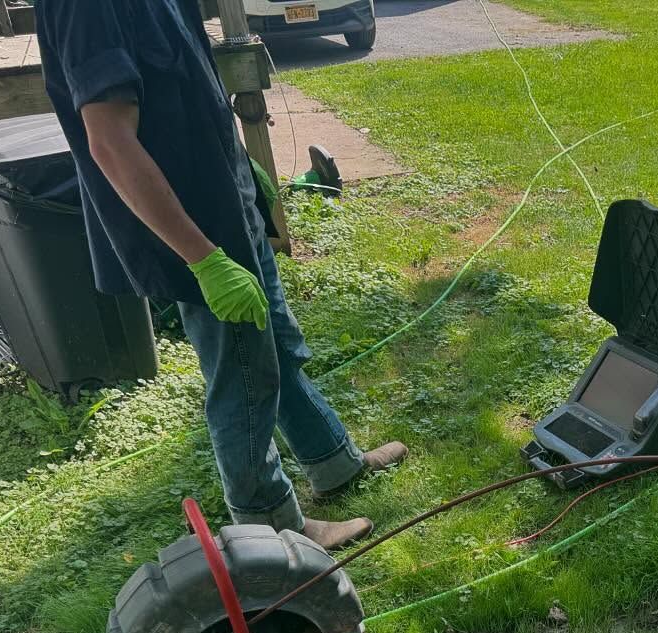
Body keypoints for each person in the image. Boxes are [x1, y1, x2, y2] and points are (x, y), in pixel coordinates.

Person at [33, 0, 405, 549]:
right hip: (197, 233)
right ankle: (268, 526)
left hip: (231, 204)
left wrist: (239, 170)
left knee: (277, 344)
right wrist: (203, 258)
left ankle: (333, 462)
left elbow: (181, 91)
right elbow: (110, 142)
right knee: (244, 376)